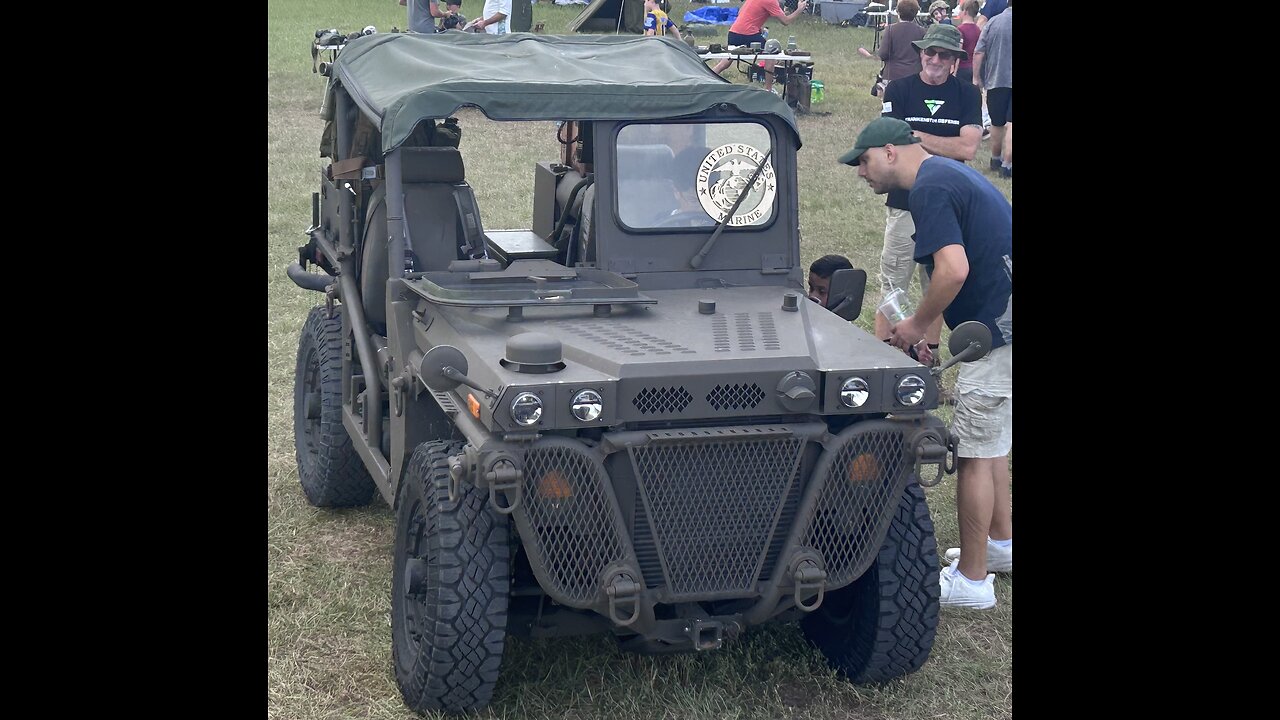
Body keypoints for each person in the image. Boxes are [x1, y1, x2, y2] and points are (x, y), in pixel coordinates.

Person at [837, 116, 1012, 610]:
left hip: (998, 325)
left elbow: (954, 271)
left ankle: (974, 582)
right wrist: (928, 344)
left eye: (864, 161)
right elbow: (944, 268)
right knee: (993, 442)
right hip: (1003, 319)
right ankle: (1000, 546)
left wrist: (913, 326)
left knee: (975, 451)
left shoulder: (929, 188)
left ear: (890, 152)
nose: (860, 173)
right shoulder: (949, 174)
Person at [875, 22, 982, 367]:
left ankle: (929, 359)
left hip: (951, 204)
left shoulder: (967, 94)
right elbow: (890, 144)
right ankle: (884, 357)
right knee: (893, 281)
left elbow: (968, 147)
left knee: (937, 282)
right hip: (905, 200)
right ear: (921, 53)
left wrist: (916, 136)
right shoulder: (898, 90)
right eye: (930, 51)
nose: (935, 59)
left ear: (954, 60)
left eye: (944, 54)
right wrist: (940, 146)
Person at [710, 0, 809, 94]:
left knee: (726, 60)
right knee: (771, 53)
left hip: (733, 33)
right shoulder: (771, 1)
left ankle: (707, 79)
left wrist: (756, 27)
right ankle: (768, 89)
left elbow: (741, 13)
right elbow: (785, 21)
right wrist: (799, 10)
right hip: (748, 35)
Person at [973, 0, 1012, 177]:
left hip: (996, 79)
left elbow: (979, 51)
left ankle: (995, 159)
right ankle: (1007, 165)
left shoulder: (993, 22)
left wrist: (976, 76)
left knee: (996, 123)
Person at [876, 0, 925, 85]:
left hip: (892, 76)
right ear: (916, 13)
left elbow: (883, 54)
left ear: (897, 12)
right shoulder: (922, 31)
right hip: (915, 76)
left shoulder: (890, 30)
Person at [954, 0, 981, 86]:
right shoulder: (978, 30)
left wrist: (954, 72)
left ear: (965, 11)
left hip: (962, 68)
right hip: (974, 68)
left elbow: (959, 52)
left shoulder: (960, 30)